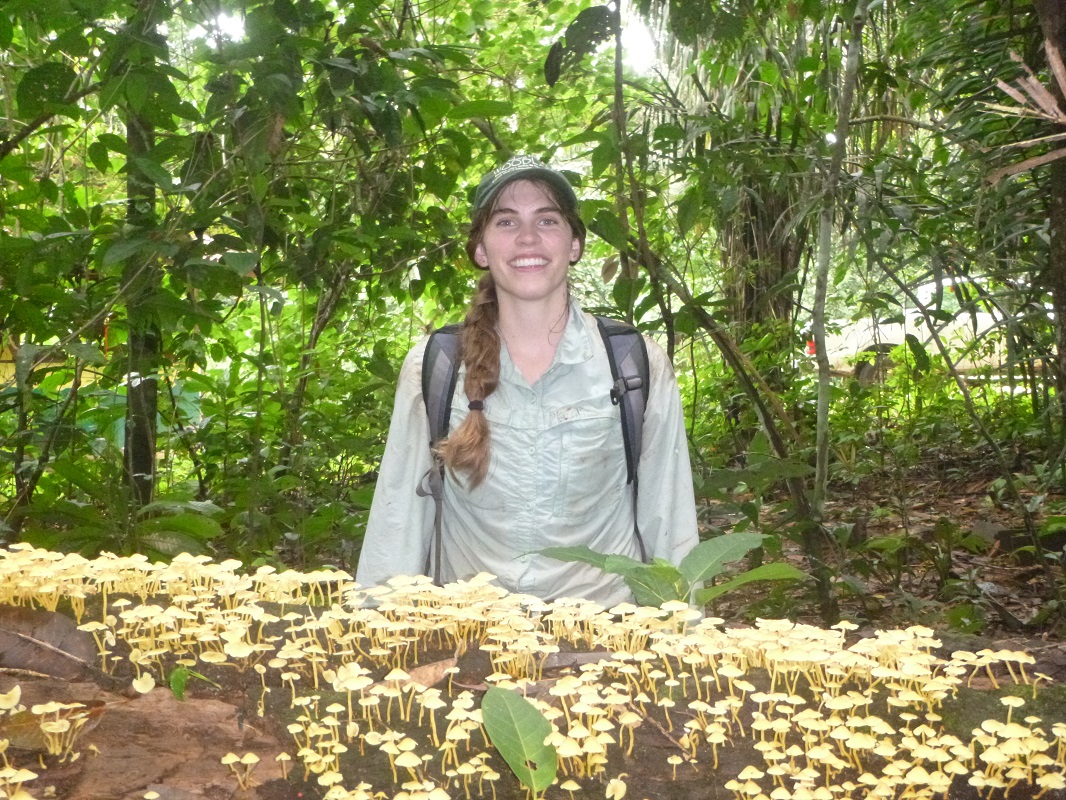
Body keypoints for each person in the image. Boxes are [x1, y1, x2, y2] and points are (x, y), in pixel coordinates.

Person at [355, 155, 698, 605]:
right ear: (481, 249)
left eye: (547, 220)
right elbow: (398, 518)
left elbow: (669, 519)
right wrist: (376, 628)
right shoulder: (437, 366)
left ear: (574, 244)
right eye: (506, 222)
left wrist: (683, 631)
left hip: (605, 631)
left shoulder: (634, 364)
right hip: (471, 632)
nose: (528, 237)